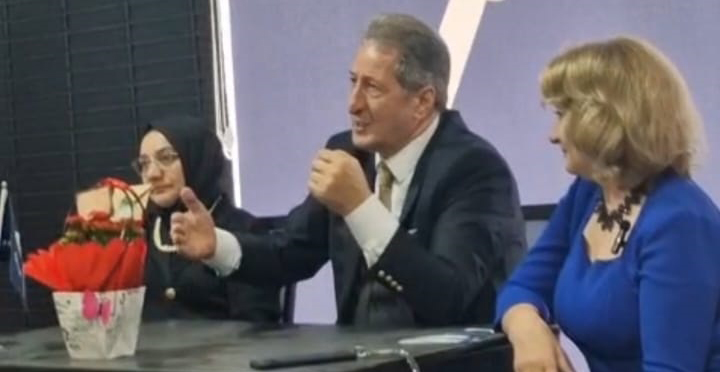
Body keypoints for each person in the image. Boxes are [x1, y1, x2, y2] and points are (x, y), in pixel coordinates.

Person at [169, 14, 526, 327]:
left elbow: (448, 297)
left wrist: (360, 207)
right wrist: (217, 245)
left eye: (372, 88)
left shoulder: (474, 170)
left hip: (450, 368)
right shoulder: (348, 152)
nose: (353, 104)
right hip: (361, 365)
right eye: (353, 81)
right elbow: (290, 252)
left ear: (422, 101)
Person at [496, 37, 720, 372]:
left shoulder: (679, 222)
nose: (552, 135)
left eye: (561, 115)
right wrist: (525, 326)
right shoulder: (588, 194)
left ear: (603, 119)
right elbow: (523, 285)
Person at [133, 115, 282, 322]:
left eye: (166, 158)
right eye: (144, 164)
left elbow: (256, 326)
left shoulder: (244, 231)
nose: (152, 174)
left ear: (198, 159)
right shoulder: (138, 231)